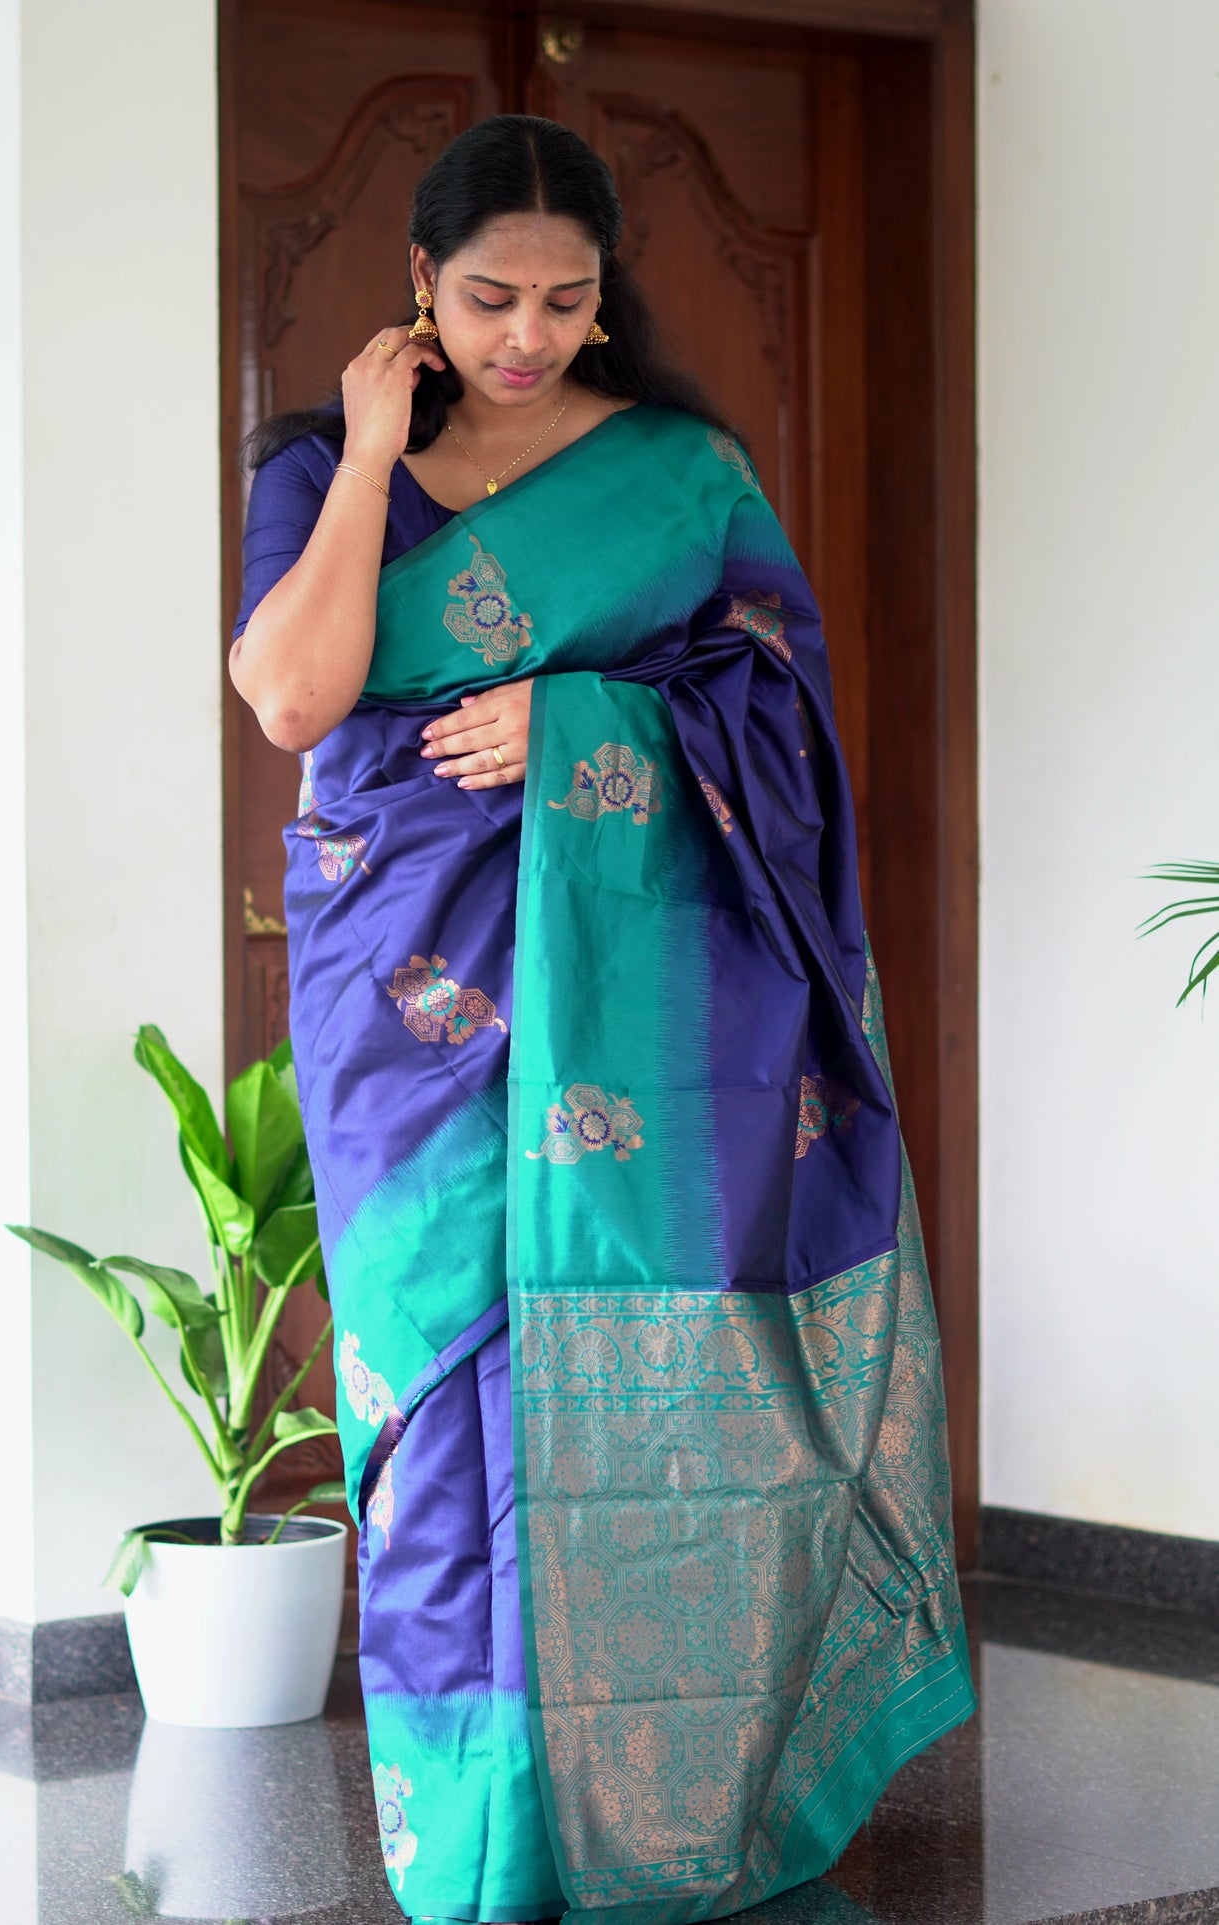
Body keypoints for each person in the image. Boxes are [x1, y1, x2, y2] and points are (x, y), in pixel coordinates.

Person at [228, 114, 975, 1925]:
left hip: (627, 1000)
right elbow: (289, 695)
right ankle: (473, 1842)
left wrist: (586, 727)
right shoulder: (326, 462)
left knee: (617, 1385)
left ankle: (640, 1810)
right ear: (417, 285)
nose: (527, 335)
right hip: (400, 992)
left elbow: (779, 722)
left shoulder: (676, 474)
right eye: (489, 297)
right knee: (437, 1383)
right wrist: (373, 455)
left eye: (565, 302)